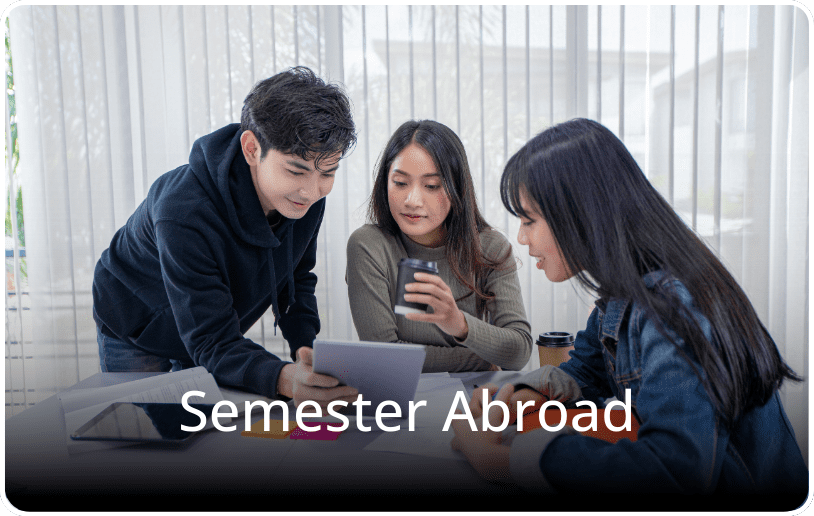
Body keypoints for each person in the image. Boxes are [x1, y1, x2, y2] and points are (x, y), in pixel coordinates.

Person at [450, 118, 807, 499]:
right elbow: (587, 370)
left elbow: (673, 472)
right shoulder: (625, 292)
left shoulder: (672, 310)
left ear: (582, 215)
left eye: (529, 220)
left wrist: (496, 459)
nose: (521, 237)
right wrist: (521, 396)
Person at [92, 67, 359, 408]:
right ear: (251, 149)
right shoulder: (183, 211)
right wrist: (282, 378)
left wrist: (304, 349)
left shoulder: (302, 197)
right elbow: (212, 342)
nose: (312, 190)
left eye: (328, 173)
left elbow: (295, 277)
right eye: (296, 170)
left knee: (205, 439)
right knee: (146, 444)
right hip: (137, 323)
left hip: (205, 322)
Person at [346, 120, 532, 372]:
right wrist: (479, 360)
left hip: (472, 402)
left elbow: (518, 351)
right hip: (402, 403)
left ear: (457, 188)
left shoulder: (490, 248)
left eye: (431, 186)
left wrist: (458, 324)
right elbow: (385, 357)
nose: (412, 201)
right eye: (400, 183)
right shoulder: (369, 246)